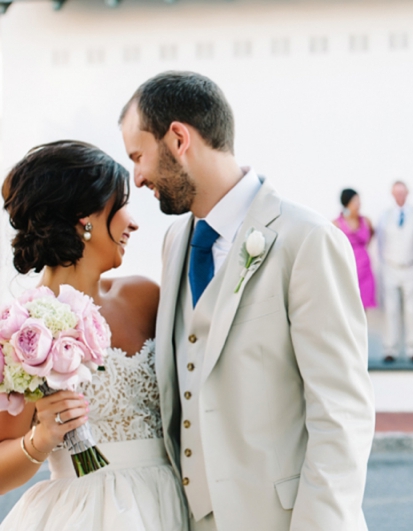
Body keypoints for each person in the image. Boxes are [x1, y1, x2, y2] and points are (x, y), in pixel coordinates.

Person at [120, 71, 374, 530]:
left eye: (138, 156)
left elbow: (342, 412)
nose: (137, 177)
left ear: (178, 138)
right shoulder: (175, 242)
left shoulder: (308, 239)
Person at [0, 141, 189, 530]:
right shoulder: (19, 331)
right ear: (83, 218)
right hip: (83, 515)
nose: (133, 222)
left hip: (171, 505)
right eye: (120, 206)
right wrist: (40, 439)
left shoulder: (146, 297)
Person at [376, 181, 413, 363]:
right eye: (396, 193)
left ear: (407, 193)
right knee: (391, 309)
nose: (400, 196)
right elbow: (381, 242)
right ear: (392, 194)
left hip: (412, 266)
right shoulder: (384, 216)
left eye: (402, 192)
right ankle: (390, 348)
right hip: (391, 267)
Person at [335, 188, 377, 309]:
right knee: (347, 304)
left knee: (364, 304)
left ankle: (363, 329)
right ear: (347, 203)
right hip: (347, 267)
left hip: (365, 268)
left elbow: (370, 236)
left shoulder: (366, 221)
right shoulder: (336, 224)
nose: (359, 205)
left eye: (359, 201)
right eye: (355, 201)